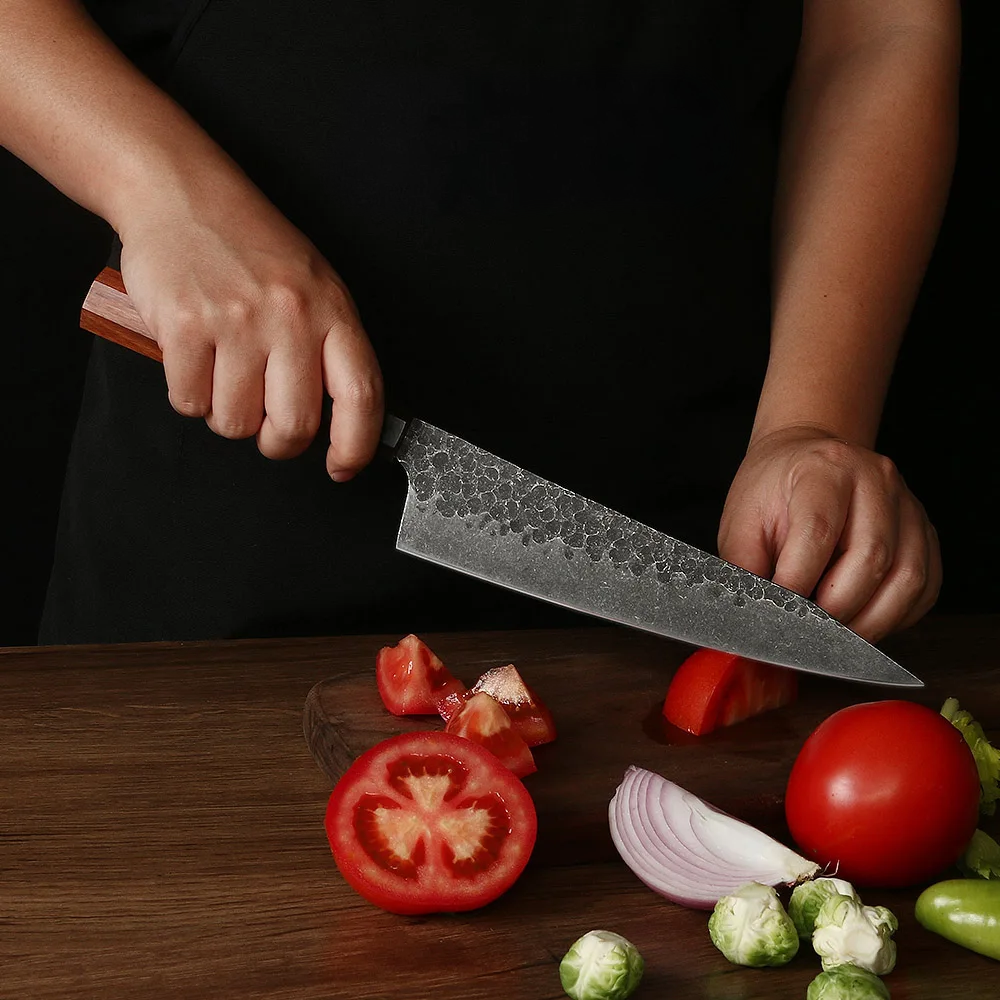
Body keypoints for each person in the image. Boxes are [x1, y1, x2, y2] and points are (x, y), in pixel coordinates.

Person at [0, 0, 956, 645]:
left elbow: (879, 28)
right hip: (229, 493)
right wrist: (167, 194)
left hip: (696, 537)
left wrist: (814, 421)